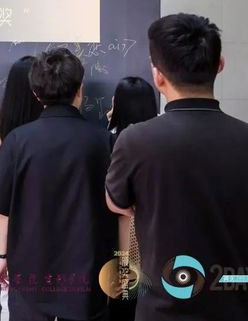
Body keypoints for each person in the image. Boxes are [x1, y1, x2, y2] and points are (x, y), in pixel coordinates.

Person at [106, 13, 248, 321]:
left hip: (168, 305)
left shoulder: (135, 142)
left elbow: (118, 203)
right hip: (246, 301)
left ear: (158, 76)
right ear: (220, 65)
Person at [0, 48, 116, 321]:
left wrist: (3, 255)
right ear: (80, 89)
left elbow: (2, 209)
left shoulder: (18, 141)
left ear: (36, 93)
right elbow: (120, 208)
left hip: (31, 273)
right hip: (87, 273)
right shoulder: (104, 141)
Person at [0, 56, 43, 321]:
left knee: (12, 303)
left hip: (13, 229)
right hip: (47, 226)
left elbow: (1, 193)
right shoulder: (47, 128)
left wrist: (3, 253)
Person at [105, 77, 157, 321]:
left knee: (124, 300)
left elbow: (118, 207)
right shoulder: (161, 142)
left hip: (125, 239)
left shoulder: (114, 142)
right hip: (156, 239)